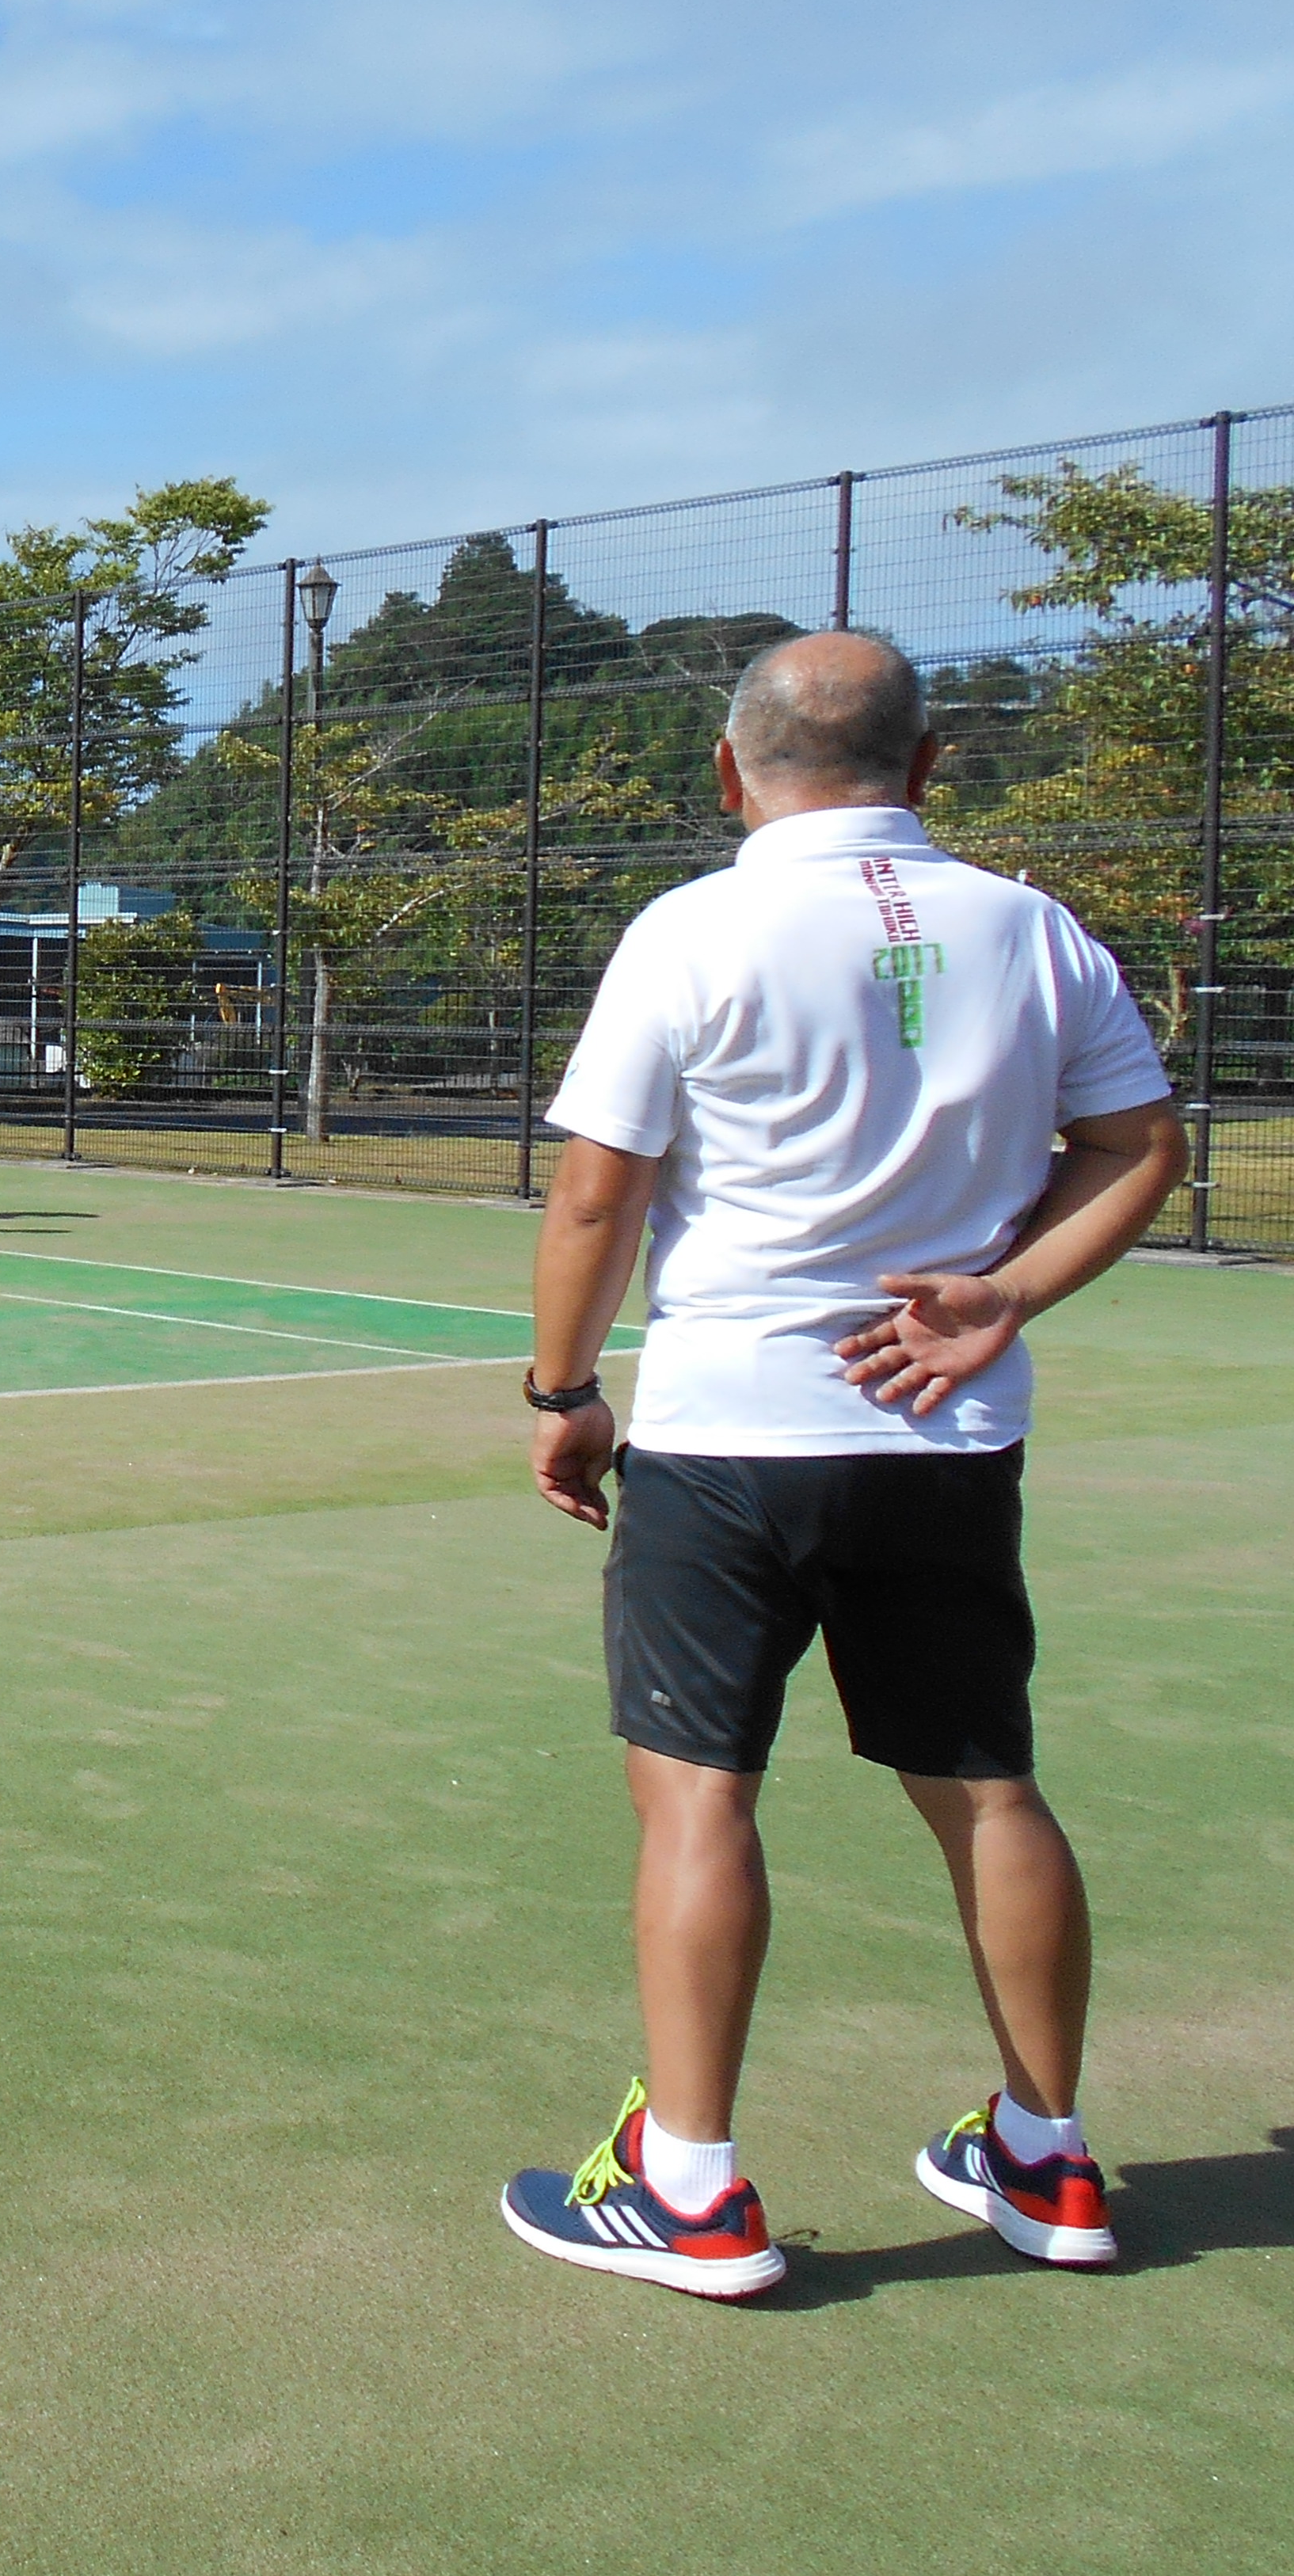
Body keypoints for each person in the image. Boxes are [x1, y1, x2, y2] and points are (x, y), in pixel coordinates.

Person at [500, 634, 1187, 2300]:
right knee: (984, 1788)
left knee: (696, 1795)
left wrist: (561, 1389)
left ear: (726, 774)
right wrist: (1000, 1295)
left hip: (729, 1434)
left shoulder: (689, 929)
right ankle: (1045, 2158)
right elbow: (1136, 1145)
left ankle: (688, 2188)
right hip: (942, 1443)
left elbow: (595, 1197)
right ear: (928, 763)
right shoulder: (1031, 930)